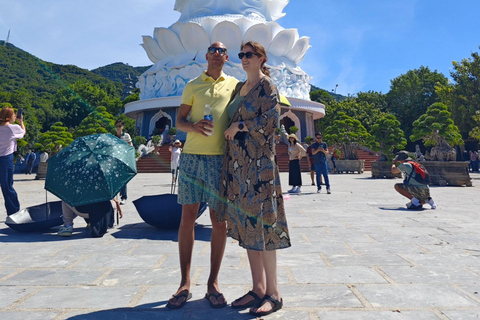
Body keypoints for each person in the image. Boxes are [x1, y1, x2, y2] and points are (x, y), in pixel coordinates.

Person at [218, 41, 290, 317]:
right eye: (241, 55)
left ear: (261, 58)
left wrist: (241, 125)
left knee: (264, 226)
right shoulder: (239, 88)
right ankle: (257, 287)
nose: (244, 59)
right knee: (248, 226)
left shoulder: (267, 86)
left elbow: (273, 121)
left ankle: (274, 292)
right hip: (239, 167)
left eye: (249, 55)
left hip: (260, 167)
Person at [167, 41, 238, 310]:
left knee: (219, 221)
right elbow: (180, 121)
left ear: (227, 57)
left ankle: (213, 283)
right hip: (192, 158)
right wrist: (194, 127)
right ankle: (184, 282)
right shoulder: (192, 84)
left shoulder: (234, 84)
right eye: (213, 50)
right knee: (188, 218)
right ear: (206, 56)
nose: (218, 54)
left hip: (220, 159)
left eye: (222, 50)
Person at [0, 106, 25, 215]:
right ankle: (13, 212)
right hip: (6, 159)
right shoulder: (13, 128)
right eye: (14, 114)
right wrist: (21, 122)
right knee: (7, 186)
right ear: (9, 117)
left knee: (6, 186)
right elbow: (23, 132)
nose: (15, 116)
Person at [57, 199, 122, 237]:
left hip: (87, 211)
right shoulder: (102, 180)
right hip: (106, 209)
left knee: (65, 199)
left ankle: (68, 226)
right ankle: (92, 222)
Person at [114, 119, 133, 205]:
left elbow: (130, 146)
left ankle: (124, 197)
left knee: (123, 179)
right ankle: (115, 196)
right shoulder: (113, 137)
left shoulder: (126, 136)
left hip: (124, 160)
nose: (118, 128)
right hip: (115, 161)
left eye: (120, 126)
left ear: (123, 127)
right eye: (117, 126)